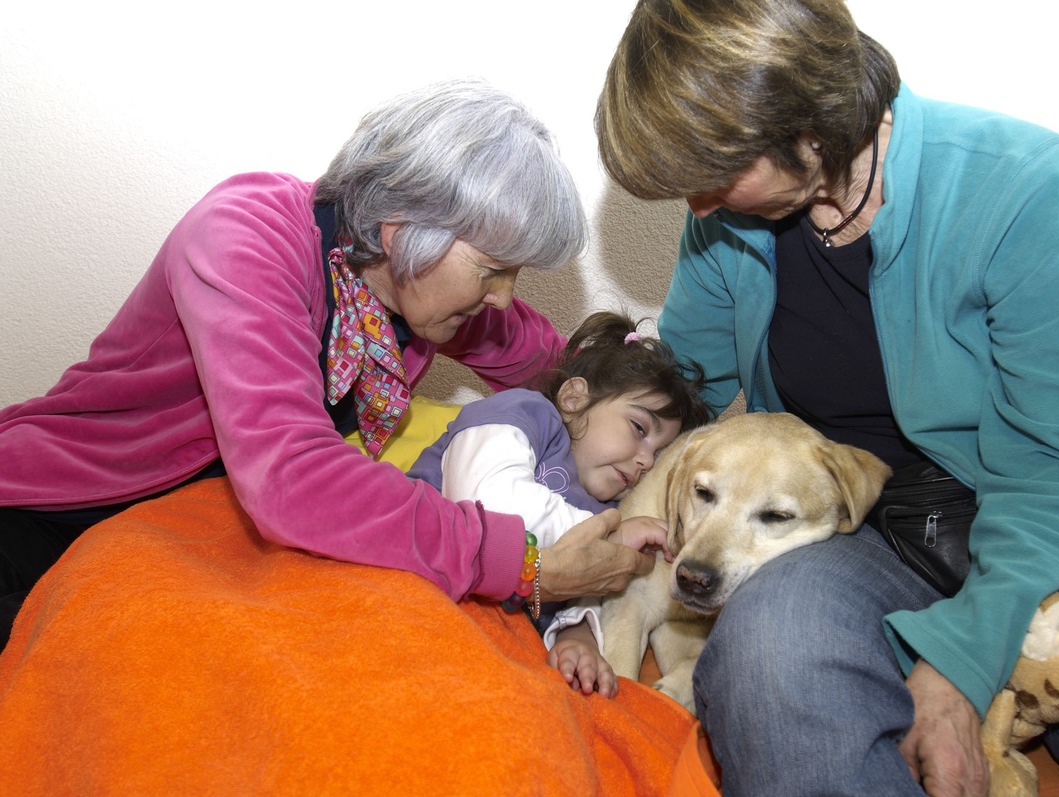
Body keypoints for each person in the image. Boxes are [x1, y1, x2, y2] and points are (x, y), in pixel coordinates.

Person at [595, 1, 1059, 795]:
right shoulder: (721, 226)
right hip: (854, 532)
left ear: (809, 123)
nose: (698, 205)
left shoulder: (1021, 184)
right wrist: (573, 424)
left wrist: (962, 656)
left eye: (714, 173)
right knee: (768, 663)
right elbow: (680, 394)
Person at [0, 79, 656, 652]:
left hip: (164, 537)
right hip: (46, 506)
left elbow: (556, 365)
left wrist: (640, 396)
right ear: (405, 230)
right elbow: (292, 475)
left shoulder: (417, 292)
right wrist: (521, 559)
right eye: (494, 269)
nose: (504, 295)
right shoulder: (243, 238)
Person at [409, 311, 711, 696]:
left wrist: (578, 638)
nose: (646, 462)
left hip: (484, 626)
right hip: (414, 574)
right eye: (638, 429)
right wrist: (610, 539)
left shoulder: (604, 512)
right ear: (573, 398)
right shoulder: (524, 414)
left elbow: (583, 584)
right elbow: (489, 501)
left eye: (659, 452)